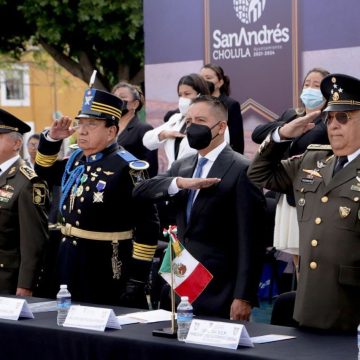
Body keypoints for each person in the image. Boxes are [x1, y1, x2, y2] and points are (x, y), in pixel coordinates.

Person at [134, 95, 265, 320]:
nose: (193, 127)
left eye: (200, 121)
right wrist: (179, 183)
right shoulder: (182, 166)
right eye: (189, 121)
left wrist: (243, 296)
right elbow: (141, 190)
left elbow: (251, 240)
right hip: (178, 283)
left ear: (221, 127)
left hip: (219, 288)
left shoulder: (241, 169)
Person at [247, 73, 360, 332]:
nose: (333, 125)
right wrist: (281, 135)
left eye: (343, 118)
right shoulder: (313, 161)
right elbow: (258, 174)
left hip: (351, 311)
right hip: (309, 306)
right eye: (328, 118)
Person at [35, 85, 159, 308]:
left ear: (111, 131)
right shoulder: (76, 159)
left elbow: (147, 227)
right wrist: (52, 139)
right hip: (68, 260)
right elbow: (44, 172)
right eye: (80, 123)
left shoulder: (128, 168)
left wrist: (137, 278)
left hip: (106, 265)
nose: (82, 131)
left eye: (91, 125)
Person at [252, 68, 330, 272]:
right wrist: (290, 125)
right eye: (307, 84)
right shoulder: (290, 114)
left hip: (312, 196)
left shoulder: (329, 120)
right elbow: (258, 134)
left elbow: (311, 144)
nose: (310, 89)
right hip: (287, 194)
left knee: (312, 257)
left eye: (316, 85)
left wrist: (291, 130)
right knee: (296, 257)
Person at [0, 108, 48, 296]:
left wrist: (26, 285)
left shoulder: (29, 182)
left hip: (7, 279)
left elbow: (34, 240)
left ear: (17, 143)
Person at [143, 73, 214, 169]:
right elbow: (147, 140)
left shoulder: (213, 120)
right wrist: (164, 134)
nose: (182, 98)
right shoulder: (176, 118)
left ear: (200, 95)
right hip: (173, 179)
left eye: (187, 94)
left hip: (198, 178)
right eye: (180, 95)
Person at [112, 82, 158, 177]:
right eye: (115, 97)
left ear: (135, 104)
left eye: (122, 97)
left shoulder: (144, 129)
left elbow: (151, 169)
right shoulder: (108, 129)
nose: (117, 100)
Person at [200, 63, 244, 154]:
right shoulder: (198, 104)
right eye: (201, 79)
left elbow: (237, 140)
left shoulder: (231, 105)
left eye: (208, 78)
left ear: (220, 82)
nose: (204, 82)